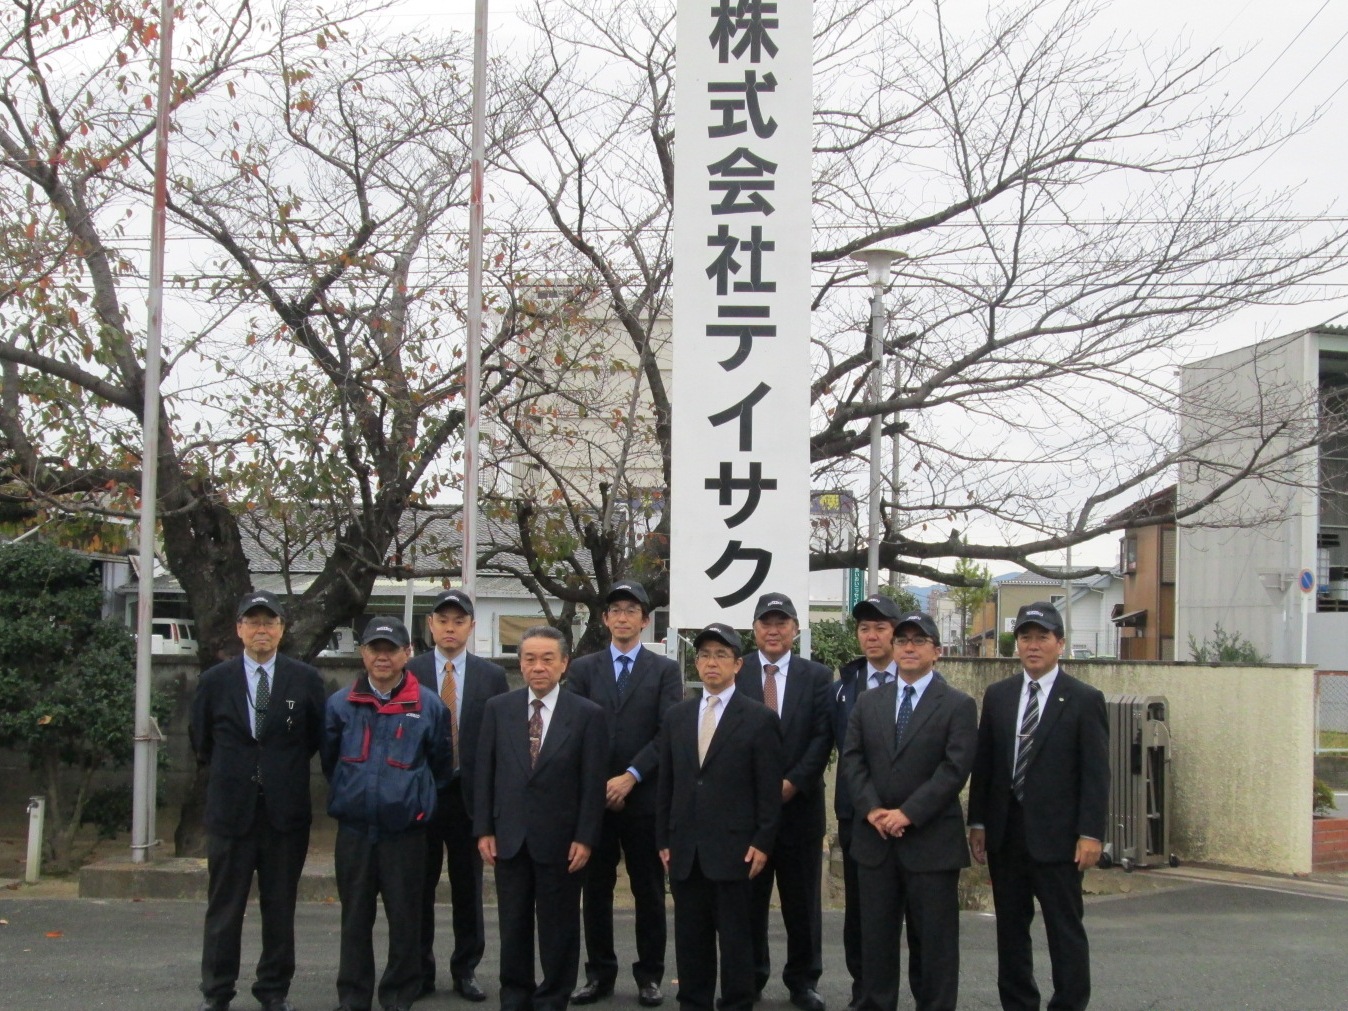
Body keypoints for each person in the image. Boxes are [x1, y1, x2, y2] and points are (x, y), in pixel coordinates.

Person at [967, 602, 1110, 1011]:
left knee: (1064, 930)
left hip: (1060, 840)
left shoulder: (1083, 699)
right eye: (1025, 637)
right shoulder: (999, 696)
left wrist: (1091, 833)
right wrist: (978, 822)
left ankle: (1069, 1003)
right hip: (1006, 835)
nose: (1033, 645)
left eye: (1042, 637)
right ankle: (1018, 1003)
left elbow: (1096, 774)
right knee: (1010, 930)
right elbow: (986, 765)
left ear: (1060, 644)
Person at [190, 590, 327, 1011]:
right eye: (253, 622)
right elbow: (202, 742)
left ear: (282, 630)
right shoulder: (216, 681)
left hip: (284, 813)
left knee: (280, 907)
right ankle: (217, 991)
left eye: (270, 622)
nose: (261, 629)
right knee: (224, 908)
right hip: (232, 811)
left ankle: (273, 990)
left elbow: (314, 739)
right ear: (239, 629)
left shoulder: (305, 679)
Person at [841, 610, 977, 1011]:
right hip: (875, 840)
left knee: (933, 944)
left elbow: (954, 770)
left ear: (937, 651)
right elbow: (853, 759)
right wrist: (872, 810)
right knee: (875, 942)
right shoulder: (868, 701)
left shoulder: (957, 704)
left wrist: (908, 813)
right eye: (902, 641)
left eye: (919, 641)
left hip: (931, 842)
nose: (909, 648)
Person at [475, 625, 608, 1011]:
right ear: (520, 664)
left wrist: (586, 837)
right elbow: (485, 772)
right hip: (509, 836)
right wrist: (483, 827)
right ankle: (514, 997)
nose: (538, 667)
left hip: (563, 841)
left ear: (564, 664)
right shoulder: (498, 709)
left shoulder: (587, 715)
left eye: (547, 659)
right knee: (513, 926)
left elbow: (592, 782)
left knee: (559, 929)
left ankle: (553, 998)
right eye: (530, 659)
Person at [323, 617, 452, 1011]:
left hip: (405, 834)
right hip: (356, 831)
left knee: (405, 919)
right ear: (362, 653)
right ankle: (353, 997)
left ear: (406, 654)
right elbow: (331, 763)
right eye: (374, 649)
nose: (382, 657)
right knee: (355, 919)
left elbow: (440, 766)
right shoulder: (340, 703)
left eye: (391, 649)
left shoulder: (428, 704)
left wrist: (410, 799)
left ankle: (398, 995)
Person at [567, 580, 684, 1008]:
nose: (622, 617)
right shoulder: (582, 669)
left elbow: (666, 732)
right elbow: (573, 729)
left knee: (649, 890)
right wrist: (601, 781)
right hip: (595, 798)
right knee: (594, 890)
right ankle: (598, 974)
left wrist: (631, 775)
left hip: (645, 797)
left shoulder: (665, 670)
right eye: (615, 610)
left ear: (645, 620)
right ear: (604, 619)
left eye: (631, 610)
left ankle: (650, 975)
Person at [658, 623, 784, 1011]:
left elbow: (768, 791)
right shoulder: (677, 717)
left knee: (736, 942)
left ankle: (737, 1003)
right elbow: (668, 783)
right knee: (691, 940)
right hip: (685, 850)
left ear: (738, 664)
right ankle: (692, 1002)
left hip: (736, 850)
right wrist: (663, 839)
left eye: (721, 655)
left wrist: (763, 841)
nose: (711, 663)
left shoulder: (759, 718)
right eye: (705, 655)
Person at [410, 588, 509, 1003]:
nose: (450, 628)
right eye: (442, 620)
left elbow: (500, 742)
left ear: (471, 626)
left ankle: (465, 968)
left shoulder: (491, 675)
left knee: (468, 888)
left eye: (459, 621)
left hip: (470, 797)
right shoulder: (410, 670)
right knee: (418, 886)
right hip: (422, 794)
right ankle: (419, 968)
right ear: (430, 625)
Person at [735, 592, 833, 1011]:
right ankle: (750, 977)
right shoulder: (736, 673)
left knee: (802, 901)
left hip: (800, 809)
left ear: (795, 629)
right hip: (747, 813)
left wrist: (792, 782)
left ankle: (802, 981)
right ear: (754, 629)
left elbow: (822, 737)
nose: (773, 630)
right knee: (748, 901)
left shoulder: (818, 676)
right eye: (765, 622)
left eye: (782, 622)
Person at [831, 594, 904, 1008]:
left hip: (910, 817)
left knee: (910, 916)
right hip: (857, 814)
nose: (872, 635)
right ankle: (865, 994)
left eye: (880, 627)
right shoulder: (845, 686)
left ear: (897, 632)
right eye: (864, 628)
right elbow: (841, 750)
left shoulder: (921, 678)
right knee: (861, 914)